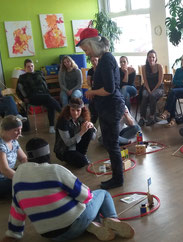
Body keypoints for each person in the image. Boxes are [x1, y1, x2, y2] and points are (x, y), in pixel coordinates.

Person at [2, 137, 135, 241]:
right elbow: (85, 196)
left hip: (51, 236)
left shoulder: (18, 176)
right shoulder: (55, 170)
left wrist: (13, 234)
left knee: (76, 208)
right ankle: (113, 220)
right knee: (103, 194)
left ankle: (93, 225)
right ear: (48, 154)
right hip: (73, 224)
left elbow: (16, 210)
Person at [78, 28, 126, 190]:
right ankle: (116, 176)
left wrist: (91, 92)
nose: (86, 53)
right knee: (109, 142)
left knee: (111, 144)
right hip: (107, 106)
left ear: (93, 44)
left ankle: (118, 179)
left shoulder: (106, 60)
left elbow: (109, 89)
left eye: (86, 49)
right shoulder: (105, 59)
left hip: (111, 106)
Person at [17, 59, 62, 133]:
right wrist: (23, 98)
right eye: (28, 67)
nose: (30, 68)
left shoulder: (39, 73)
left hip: (43, 96)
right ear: (25, 68)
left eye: (32, 66)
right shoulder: (22, 77)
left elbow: (45, 85)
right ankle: (63, 114)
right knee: (48, 98)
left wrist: (47, 93)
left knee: (50, 103)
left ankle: (51, 126)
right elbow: (18, 90)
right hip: (31, 97)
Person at [54, 98, 96, 168]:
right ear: (69, 109)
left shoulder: (83, 117)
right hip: (64, 150)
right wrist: (82, 132)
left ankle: (82, 154)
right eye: (72, 110)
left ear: (82, 109)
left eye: (78, 110)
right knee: (82, 162)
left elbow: (93, 137)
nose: (75, 113)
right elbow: (67, 143)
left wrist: (92, 127)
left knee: (89, 129)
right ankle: (77, 156)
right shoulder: (63, 121)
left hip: (76, 144)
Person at [160, 53, 183, 127]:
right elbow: (174, 81)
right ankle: (172, 119)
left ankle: (167, 112)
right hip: (177, 89)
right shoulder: (178, 70)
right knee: (173, 95)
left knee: (172, 92)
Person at [139, 50, 164, 126]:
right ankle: (142, 118)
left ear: (156, 58)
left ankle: (152, 117)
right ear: (147, 58)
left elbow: (160, 81)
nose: (151, 59)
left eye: (153, 57)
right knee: (145, 95)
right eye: (149, 57)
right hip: (147, 87)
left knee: (152, 95)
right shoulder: (143, 67)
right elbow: (145, 81)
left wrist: (152, 91)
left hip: (159, 88)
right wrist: (149, 90)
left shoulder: (159, 66)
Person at [87, 56, 99, 124]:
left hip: (100, 89)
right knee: (91, 102)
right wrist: (90, 90)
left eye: (95, 60)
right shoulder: (90, 70)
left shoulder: (101, 70)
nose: (94, 62)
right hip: (93, 88)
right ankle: (94, 116)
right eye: (92, 61)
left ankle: (98, 115)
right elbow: (89, 82)